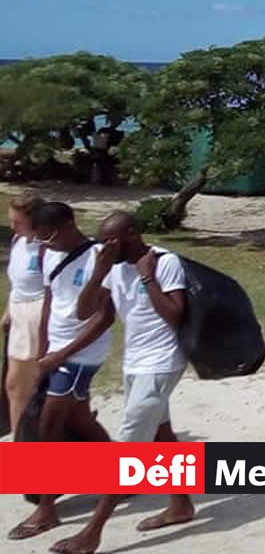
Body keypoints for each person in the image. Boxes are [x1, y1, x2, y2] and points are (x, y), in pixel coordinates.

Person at [49, 211, 195, 554]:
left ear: (132, 233)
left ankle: (92, 533)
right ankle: (181, 504)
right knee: (161, 434)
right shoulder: (113, 269)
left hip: (161, 362)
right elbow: (84, 312)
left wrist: (148, 279)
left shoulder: (163, 262)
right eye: (102, 241)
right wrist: (99, 270)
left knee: (130, 449)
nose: (106, 246)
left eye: (111, 240)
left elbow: (176, 316)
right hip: (134, 362)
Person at [8, 202, 113, 542]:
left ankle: (47, 508)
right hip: (56, 350)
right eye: (39, 239)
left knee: (49, 426)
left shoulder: (99, 257)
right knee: (82, 421)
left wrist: (62, 354)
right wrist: (42, 353)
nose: (45, 245)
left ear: (69, 224)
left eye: (49, 237)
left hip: (82, 355)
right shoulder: (49, 252)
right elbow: (51, 304)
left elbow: (104, 317)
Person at [4, 193, 45, 436]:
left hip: (39, 314)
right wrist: (8, 310)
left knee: (37, 385)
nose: (13, 227)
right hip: (19, 312)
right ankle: (20, 440)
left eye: (18, 222)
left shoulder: (48, 247)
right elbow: (17, 282)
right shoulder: (18, 242)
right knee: (14, 384)